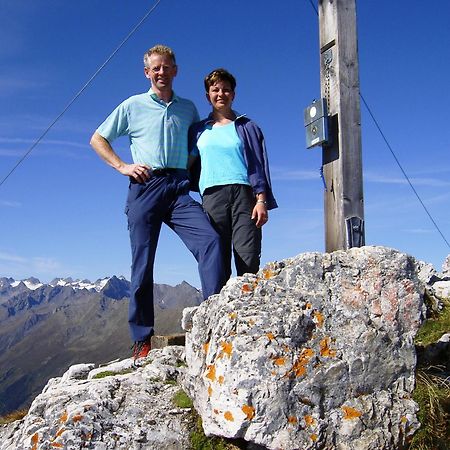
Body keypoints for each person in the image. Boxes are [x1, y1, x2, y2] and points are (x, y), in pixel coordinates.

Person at [90, 45, 225, 360]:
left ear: (175, 70)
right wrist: (123, 166)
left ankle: (215, 319)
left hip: (178, 187)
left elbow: (197, 142)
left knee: (211, 242)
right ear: (147, 72)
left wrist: (190, 165)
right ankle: (141, 339)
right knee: (142, 265)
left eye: (166, 67)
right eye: (155, 68)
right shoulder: (132, 106)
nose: (161, 72)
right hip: (144, 186)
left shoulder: (188, 109)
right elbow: (98, 138)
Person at [189, 68, 277, 282]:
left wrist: (261, 200)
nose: (221, 94)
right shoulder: (198, 130)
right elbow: (188, 163)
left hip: (245, 196)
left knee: (247, 256)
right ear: (207, 96)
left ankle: (249, 309)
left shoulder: (248, 127)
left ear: (233, 94)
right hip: (212, 196)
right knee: (216, 256)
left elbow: (259, 165)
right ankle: (218, 308)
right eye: (215, 89)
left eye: (226, 90)